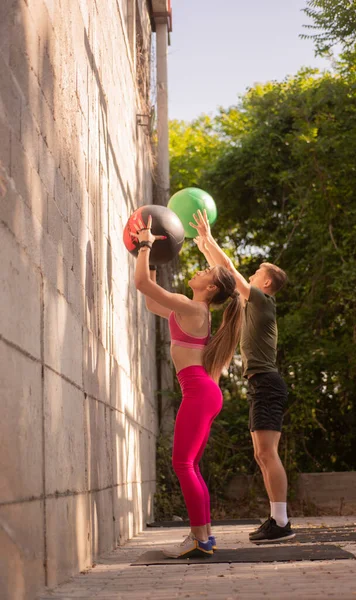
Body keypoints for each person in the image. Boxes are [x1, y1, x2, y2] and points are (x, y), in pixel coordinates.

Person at [131, 215, 242, 558]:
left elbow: (142, 289)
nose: (198, 271)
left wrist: (145, 246)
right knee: (190, 465)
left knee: (183, 465)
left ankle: (198, 537)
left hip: (199, 393)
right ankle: (204, 536)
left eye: (205, 272)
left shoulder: (193, 307)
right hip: (204, 393)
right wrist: (151, 262)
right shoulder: (190, 309)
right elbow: (151, 300)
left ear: (210, 289)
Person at [190, 209, 295, 543]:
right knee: (261, 455)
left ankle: (281, 522)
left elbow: (231, 273)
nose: (250, 274)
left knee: (267, 454)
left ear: (266, 283)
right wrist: (206, 246)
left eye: (256, 272)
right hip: (261, 385)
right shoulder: (254, 304)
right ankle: (277, 520)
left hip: (266, 384)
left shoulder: (263, 302)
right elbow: (226, 275)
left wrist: (212, 240)